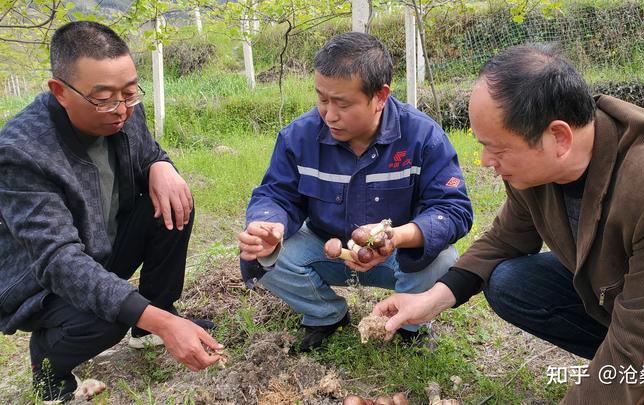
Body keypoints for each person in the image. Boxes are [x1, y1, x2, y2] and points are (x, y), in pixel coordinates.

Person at [374, 43, 644, 404]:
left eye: (497, 148)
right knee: (508, 281)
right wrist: (430, 300)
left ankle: (641, 377)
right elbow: (505, 240)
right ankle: (627, 377)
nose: (485, 161)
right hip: (628, 296)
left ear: (559, 137)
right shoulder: (540, 162)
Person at [0, 21, 222, 402]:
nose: (121, 109)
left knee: (174, 201)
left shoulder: (125, 111)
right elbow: (59, 261)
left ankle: (149, 326)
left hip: (103, 246)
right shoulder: (22, 152)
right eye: (103, 98)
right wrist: (164, 322)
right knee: (109, 318)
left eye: (130, 93)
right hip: (44, 280)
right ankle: (48, 362)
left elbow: (147, 151)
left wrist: (161, 166)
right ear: (60, 92)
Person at [237, 32, 473, 352]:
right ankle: (326, 315)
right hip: (326, 248)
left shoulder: (422, 136)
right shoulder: (299, 137)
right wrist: (270, 224)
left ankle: (411, 325)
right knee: (262, 256)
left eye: (342, 103)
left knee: (443, 258)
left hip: (398, 257)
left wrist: (396, 238)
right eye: (322, 99)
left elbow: (453, 209)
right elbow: (276, 194)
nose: (329, 114)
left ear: (380, 97)